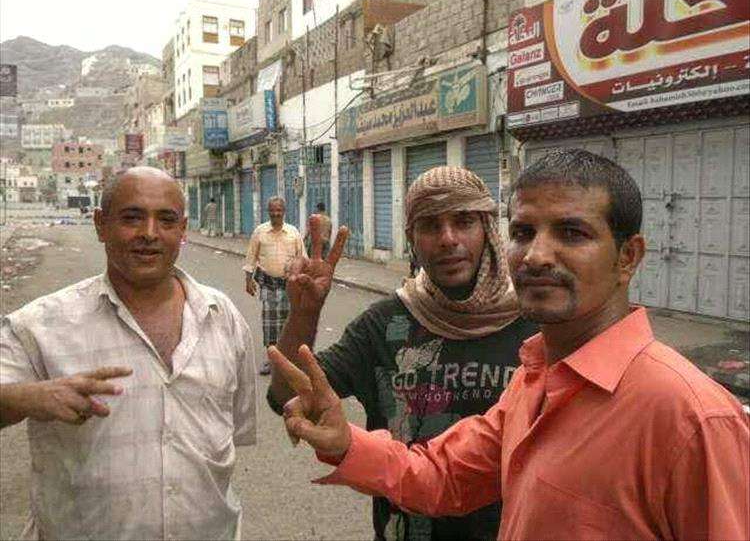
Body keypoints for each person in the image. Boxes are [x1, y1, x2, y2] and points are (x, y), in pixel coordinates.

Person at [271, 150, 750, 541]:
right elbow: (443, 475)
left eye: (572, 233)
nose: (537, 256)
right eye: (523, 232)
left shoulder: (692, 418)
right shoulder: (535, 379)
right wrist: (345, 442)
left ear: (628, 256)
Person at [269, 166, 537, 540]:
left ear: (488, 230)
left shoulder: (536, 325)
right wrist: (304, 312)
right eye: (430, 225)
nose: (448, 239)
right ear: (412, 238)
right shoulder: (384, 325)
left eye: (463, 222)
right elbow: (287, 394)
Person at [0, 167, 257, 541]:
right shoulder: (39, 325)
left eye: (166, 220)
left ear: (183, 230)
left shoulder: (222, 316)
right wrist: (29, 397)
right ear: (100, 225)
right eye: (132, 217)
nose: (150, 233)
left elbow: (233, 428)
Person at [244, 196, 305, 375]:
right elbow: (251, 257)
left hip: (289, 285)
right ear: (268, 211)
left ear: (284, 212)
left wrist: (303, 282)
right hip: (268, 284)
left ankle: (288, 360)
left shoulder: (293, 232)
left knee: (288, 323)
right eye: (272, 210)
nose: (275, 213)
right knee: (270, 322)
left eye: (279, 210)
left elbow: (302, 258)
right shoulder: (260, 232)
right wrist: (248, 280)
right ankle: (272, 361)